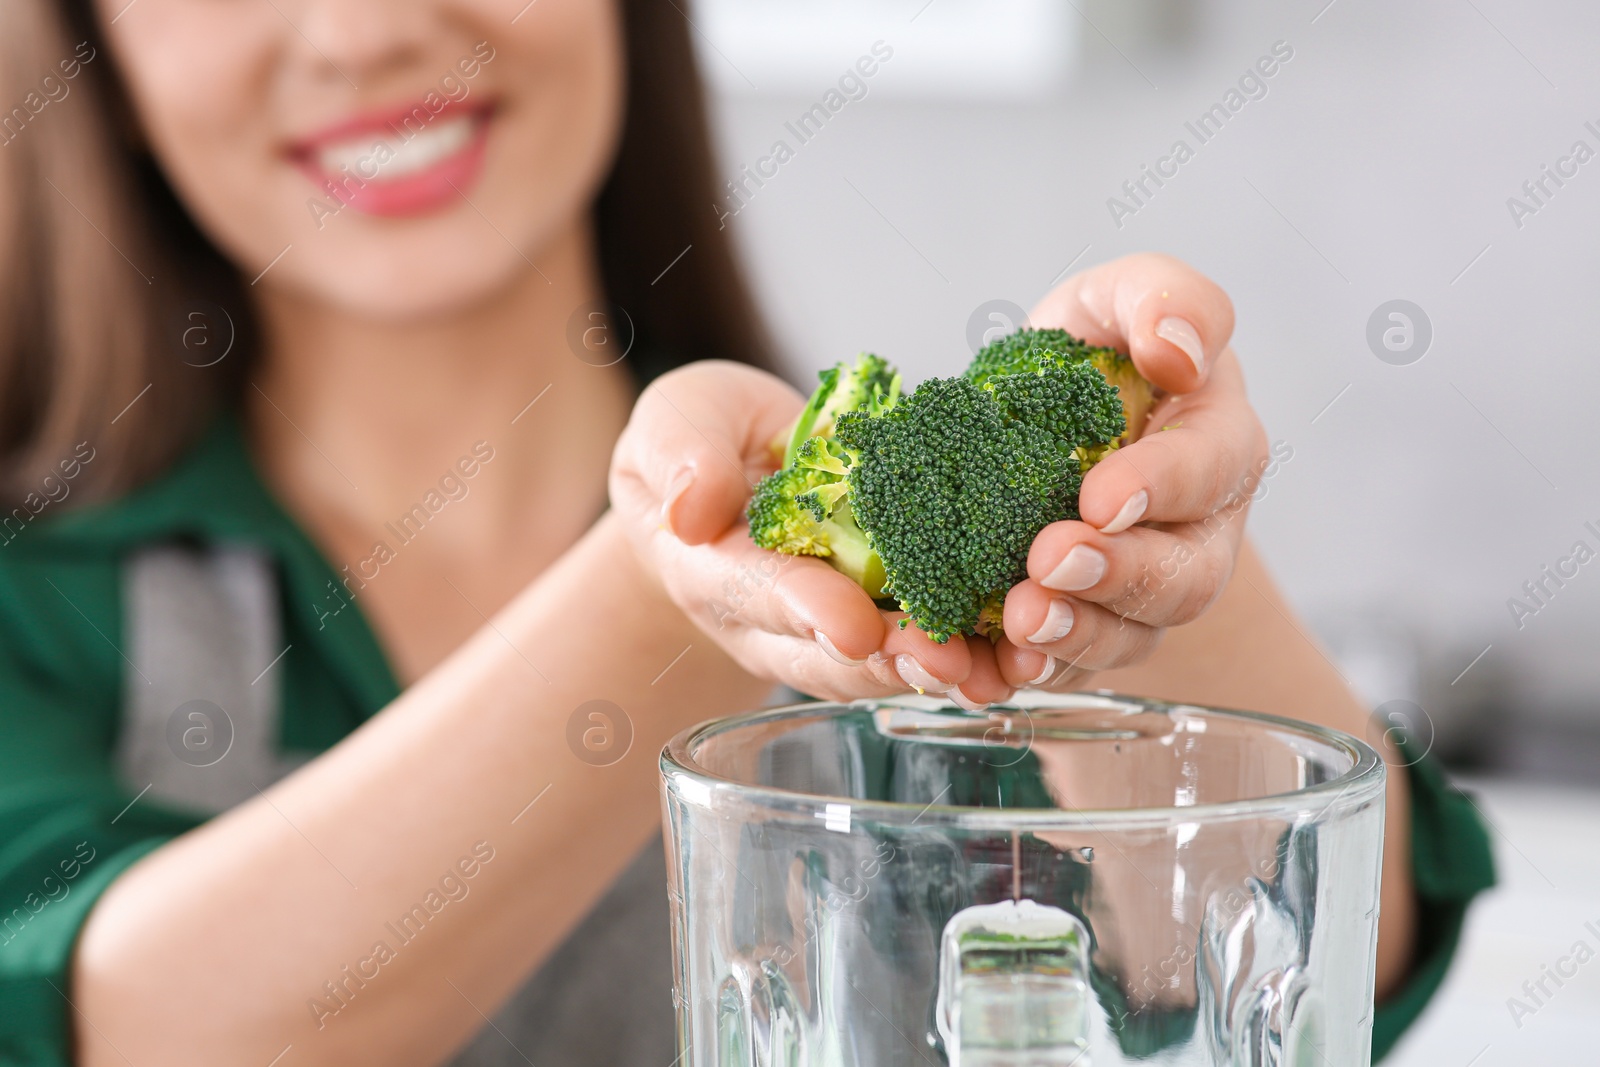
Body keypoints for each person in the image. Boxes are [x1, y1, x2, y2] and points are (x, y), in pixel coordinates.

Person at [0, 0, 1492, 1064]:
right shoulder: (33, 611)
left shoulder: (897, 541)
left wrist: (1142, 545)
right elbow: (132, 1028)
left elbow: (1297, 973)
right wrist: (664, 598)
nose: (364, 28)